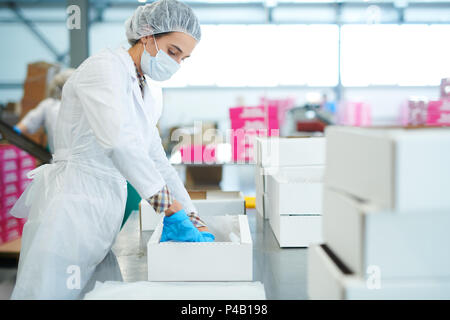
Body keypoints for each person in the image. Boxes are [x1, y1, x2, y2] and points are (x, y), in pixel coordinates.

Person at [10, 0, 213, 300]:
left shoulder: (149, 90)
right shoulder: (104, 68)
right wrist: (169, 210)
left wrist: (192, 215)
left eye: (184, 58)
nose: (177, 64)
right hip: (74, 203)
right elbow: (119, 142)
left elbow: (156, 157)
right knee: (47, 293)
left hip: (106, 209)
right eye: (173, 52)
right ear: (147, 34)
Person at [14, 69, 75, 153]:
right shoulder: (50, 105)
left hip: (57, 160)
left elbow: (24, 125)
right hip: (81, 162)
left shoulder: (48, 105)